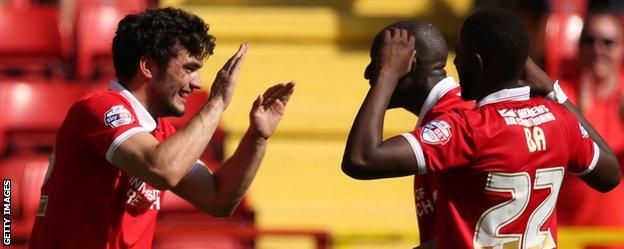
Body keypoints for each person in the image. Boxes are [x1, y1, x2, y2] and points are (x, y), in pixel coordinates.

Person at [342, 9, 620, 248]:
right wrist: (551, 89)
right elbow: (610, 175)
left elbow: (361, 159)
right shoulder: (558, 118)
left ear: (477, 64)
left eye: (459, 54)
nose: (454, 63)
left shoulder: (468, 126)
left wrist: (388, 73)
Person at [29, 7, 295, 248]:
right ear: (148, 67)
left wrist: (257, 136)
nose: (197, 83)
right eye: (189, 69)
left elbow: (218, 199)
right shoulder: (100, 109)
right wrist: (216, 103)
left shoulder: (162, 133)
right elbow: (162, 169)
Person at [358, 20, 474, 245]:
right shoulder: (444, 114)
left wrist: (387, 75)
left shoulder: (454, 119)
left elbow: (360, 158)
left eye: (378, 60)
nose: (368, 72)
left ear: (407, 63)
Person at [556, 9, 624, 249]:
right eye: (589, 41)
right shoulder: (559, 94)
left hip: (617, 239)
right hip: (567, 239)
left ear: (622, 48)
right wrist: (582, 115)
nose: (598, 49)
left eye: (608, 42)